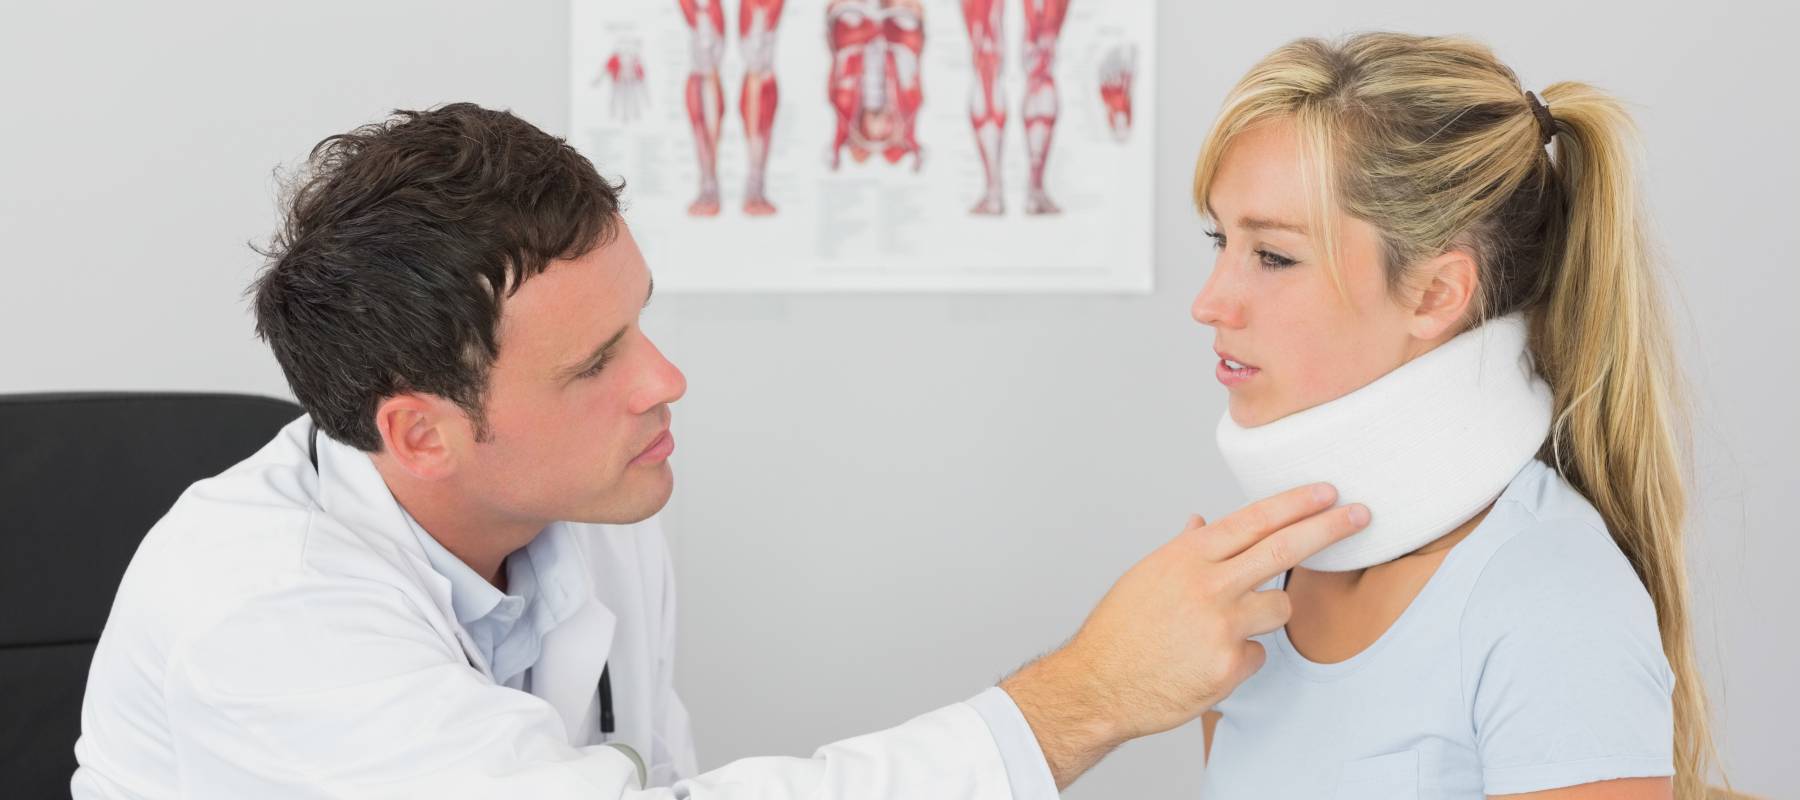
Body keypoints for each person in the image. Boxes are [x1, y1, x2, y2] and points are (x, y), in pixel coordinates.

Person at [70, 103, 1368, 799]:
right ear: (421, 433)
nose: (664, 381)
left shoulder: (585, 511)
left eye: (641, 322)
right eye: (595, 365)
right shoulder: (261, 619)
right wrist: (1082, 698)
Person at [1186, 33, 1719, 798]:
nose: (1209, 302)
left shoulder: (1553, 604)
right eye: (1219, 239)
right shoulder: (1248, 595)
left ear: (1437, 293)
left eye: (1272, 256)